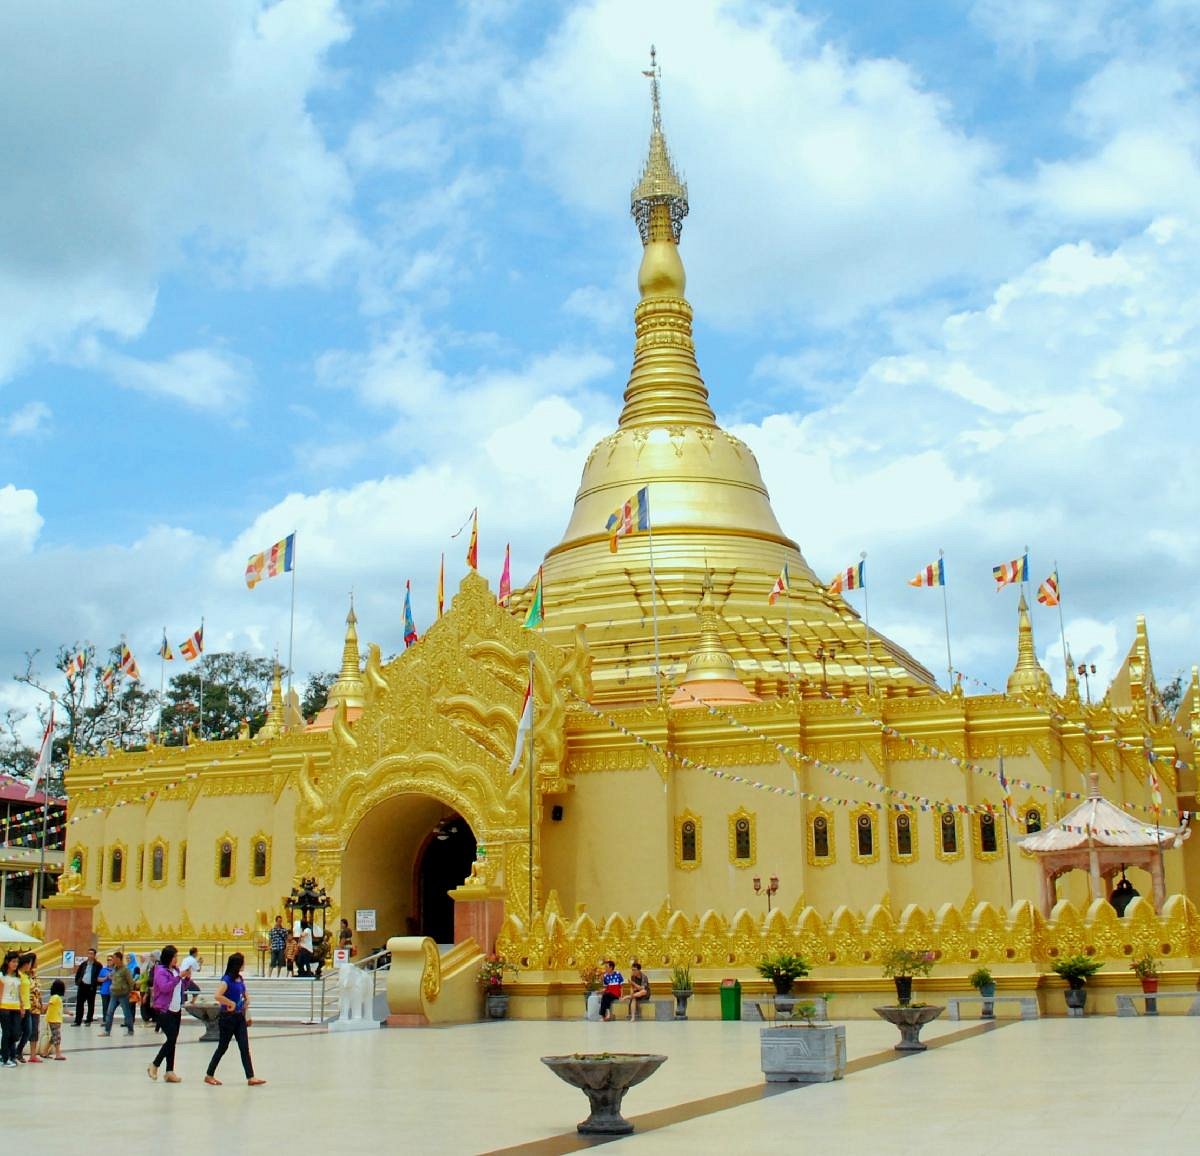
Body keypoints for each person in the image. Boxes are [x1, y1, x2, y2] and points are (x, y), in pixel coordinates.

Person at [203, 952, 266, 1087]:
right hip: (227, 1018)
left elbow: (244, 993)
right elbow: (217, 995)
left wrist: (247, 1000)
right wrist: (229, 1002)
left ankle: (251, 1076)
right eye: (242, 962)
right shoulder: (227, 980)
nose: (244, 965)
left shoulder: (240, 979)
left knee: (244, 1047)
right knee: (223, 1047)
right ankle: (209, 1074)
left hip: (239, 1017)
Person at [147, 945, 185, 1083]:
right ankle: (155, 1064)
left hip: (176, 1009)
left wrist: (184, 979)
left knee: (172, 1041)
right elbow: (164, 988)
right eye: (174, 956)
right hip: (164, 1009)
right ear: (168, 957)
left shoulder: (176, 971)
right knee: (171, 1039)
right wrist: (178, 978)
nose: (176, 959)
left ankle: (169, 1071)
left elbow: (179, 988)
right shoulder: (161, 971)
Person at [103, 950, 135, 1036]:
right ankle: (107, 1031)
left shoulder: (125, 970)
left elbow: (131, 982)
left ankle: (130, 1030)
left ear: (119, 959)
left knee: (126, 1013)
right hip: (114, 994)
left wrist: (129, 992)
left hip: (123, 994)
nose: (112, 960)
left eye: (114, 958)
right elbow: (112, 977)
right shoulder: (114, 969)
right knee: (109, 1012)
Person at [0, 952, 21, 1066]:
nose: (15, 964)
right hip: (4, 1007)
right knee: (6, 1033)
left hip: (16, 1007)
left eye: (17, 962)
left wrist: (21, 1006)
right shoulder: (1, 976)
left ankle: (4, 1053)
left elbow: (19, 993)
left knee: (16, 1033)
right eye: (13, 961)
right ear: (8, 962)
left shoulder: (18, 976)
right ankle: (5, 1058)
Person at [74, 947, 100, 1026]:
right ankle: (78, 1021)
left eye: (91, 954)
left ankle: (88, 1020)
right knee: (79, 1004)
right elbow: (79, 973)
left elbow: (99, 975)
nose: (90, 955)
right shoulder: (84, 964)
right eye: (88, 953)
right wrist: (78, 981)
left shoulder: (98, 965)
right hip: (82, 986)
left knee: (90, 1004)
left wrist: (96, 984)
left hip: (91, 987)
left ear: (94, 955)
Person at [45, 978, 66, 1060]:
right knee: (57, 1037)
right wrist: (44, 1009)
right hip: (54, 1019)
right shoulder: (55, 997)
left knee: (54, 1037)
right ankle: (58, 1054)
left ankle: (45, 1052)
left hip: (56, 1019)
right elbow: (49, 1004)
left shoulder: (57, 998)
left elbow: (59, 1008)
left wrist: (67, 1012)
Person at [97, 954, 114, 1026]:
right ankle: (105, 1020)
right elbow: (98, 979)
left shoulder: (116, 969)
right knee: (105, 1006)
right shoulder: (103, 970)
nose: (109, 961)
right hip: (104, 991)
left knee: (111, 1007)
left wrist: (112, 978)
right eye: (108, 960)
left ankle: (110, 1020)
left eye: (110, 960)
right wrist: (105, 978)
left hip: (113, 991)